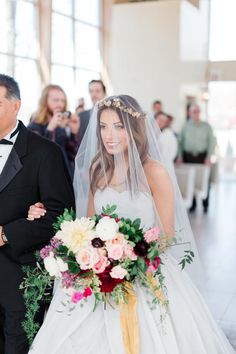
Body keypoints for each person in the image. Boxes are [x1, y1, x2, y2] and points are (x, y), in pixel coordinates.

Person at [27, 95, 234, 354]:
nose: (109, 135)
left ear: (134, 129)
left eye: (118, 126)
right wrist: (94, 256)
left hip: (144, 270)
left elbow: (166, 235)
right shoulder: (97, 168)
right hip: (98, 272)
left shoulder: (154, 171)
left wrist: (126, 258)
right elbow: (90, 223)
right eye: (103, 126)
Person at [0, 74, 75, 354]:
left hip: (22, 274)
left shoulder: (46, 152)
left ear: (16, 105)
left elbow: (60, 214)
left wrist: (7, 233)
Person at [28, 84, 80, 178]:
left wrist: (73, 132)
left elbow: (72, 156)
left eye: (63, 101)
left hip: (65, 178)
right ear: (44, 101)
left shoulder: (61, 126)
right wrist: (50, 128)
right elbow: (36, 157)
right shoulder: (34, 126)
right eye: (56, 100)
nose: (60, 104)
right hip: (46, 181)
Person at [177, 103, 216, 213]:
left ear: (200, 113)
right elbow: (180, 142)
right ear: (189, 113)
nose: (196, 114)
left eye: (197, 111)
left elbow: (212, 142)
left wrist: (208, 157)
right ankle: (192, 205)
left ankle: (205, 205)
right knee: (191, 180)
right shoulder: (185, 126)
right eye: (193, 112)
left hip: (202, 157)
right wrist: (180, 156)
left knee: (204, 180)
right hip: (188, 156)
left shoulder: (206, 126)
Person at [78, 79, 106, 144]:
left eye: (97, 91)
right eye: (91, 91)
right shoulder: (81, 116)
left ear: (104, 93)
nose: (93, 94)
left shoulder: (112, 114)